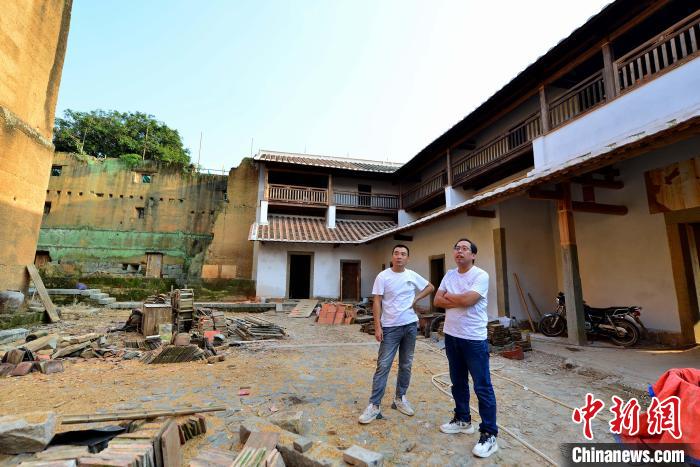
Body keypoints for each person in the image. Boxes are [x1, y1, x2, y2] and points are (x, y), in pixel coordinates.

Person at [433, 238, 498, 458]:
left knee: (482, 386)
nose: (459, 251)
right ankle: (463, 419)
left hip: (474, 339)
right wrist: (458, 299)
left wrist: (451, 297)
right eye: (457, 248)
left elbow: (469, 300)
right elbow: (437, 301)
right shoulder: (449, 274)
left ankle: (489, 434)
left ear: (473, 255)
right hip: (452, 336)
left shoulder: (481, 275)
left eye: (465, 249)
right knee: (458, 381)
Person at [358, 244, 434, 424]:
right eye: (396, 253)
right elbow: (377, 301)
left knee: (406, 364)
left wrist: (417, 298)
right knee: (383, 365)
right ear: (392, 257)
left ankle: (400, 398)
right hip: (390, 327)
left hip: (410, 325)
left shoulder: (411, 275)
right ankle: (374, 405)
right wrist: (378, 326)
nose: (399, 256)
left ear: (408, 258)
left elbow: (430, 287)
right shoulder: (383, 276)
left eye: (403, 254)